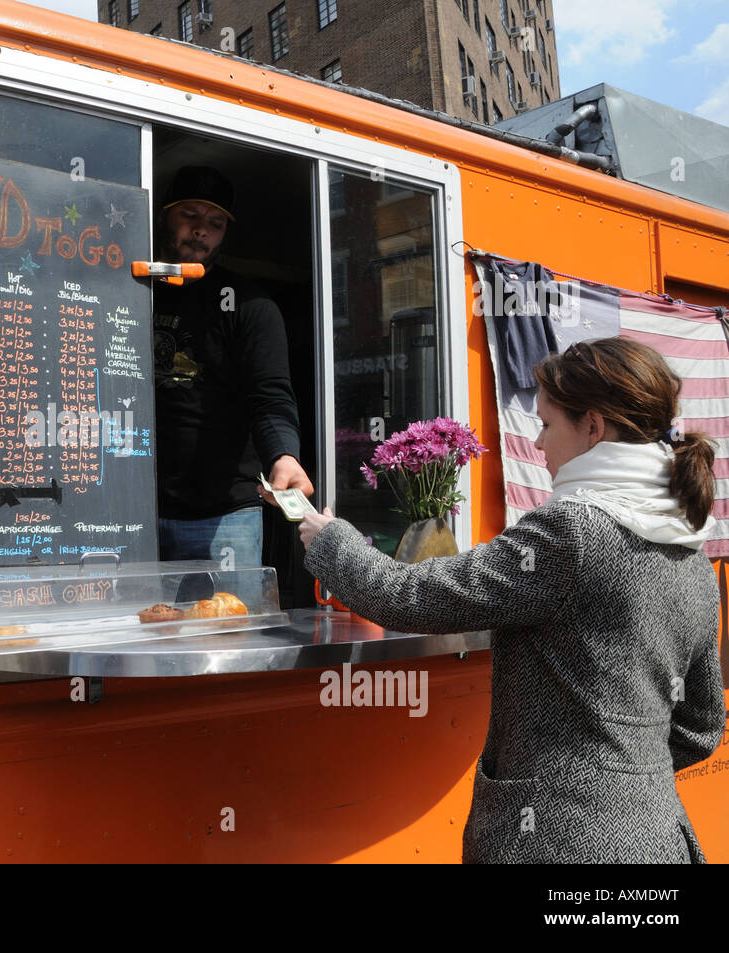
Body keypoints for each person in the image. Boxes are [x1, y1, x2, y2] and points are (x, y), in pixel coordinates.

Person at [299, 337, 726, 863]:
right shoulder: (693, 552)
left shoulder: (573, 533)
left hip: (557, 844)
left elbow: (410, 596)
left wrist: (329, 541)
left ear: (592, 427)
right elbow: (700, 728)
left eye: (546, 424)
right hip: (658, 839)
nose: (538, 443)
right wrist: (627, 785)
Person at [153, 165, 314, 569]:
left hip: (224, 514)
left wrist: (283, 455)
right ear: (164, 216)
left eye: (215, 222)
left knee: (226, 631)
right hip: (130, 511)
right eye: (190, 214)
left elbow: (270, 394)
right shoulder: (132, 289)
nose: (201, 230)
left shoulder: (250, 305)